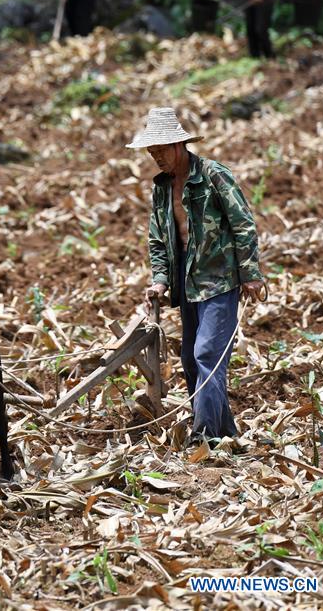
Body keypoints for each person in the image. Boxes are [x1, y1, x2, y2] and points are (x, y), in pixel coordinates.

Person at [126, 107, 265, 445]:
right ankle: (225, 432)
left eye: (161, 150)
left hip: (220, 278)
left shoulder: (214, 175)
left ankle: (203, 436)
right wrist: (160, 278)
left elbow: (243, 224)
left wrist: (251, 273)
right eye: (151, 152)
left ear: (179, 145)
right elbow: (158, 239)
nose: (156, 157)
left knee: (207, 355)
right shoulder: (161, 188)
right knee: (191, 358)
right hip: (185, 280)